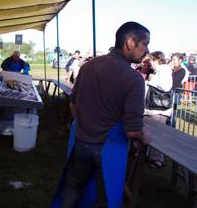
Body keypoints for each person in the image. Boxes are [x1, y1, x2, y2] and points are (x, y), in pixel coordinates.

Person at [52, 21, 152, 208]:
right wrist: (144, 134)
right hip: (108, 147)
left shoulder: (89, 66)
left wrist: (87, 124)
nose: (146, 50)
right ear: (130, 42)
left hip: (81, 141)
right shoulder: (133, 78)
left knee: (72, 187)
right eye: (145, 44)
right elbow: (132, 130)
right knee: (104, 199)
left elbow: (73, 105)